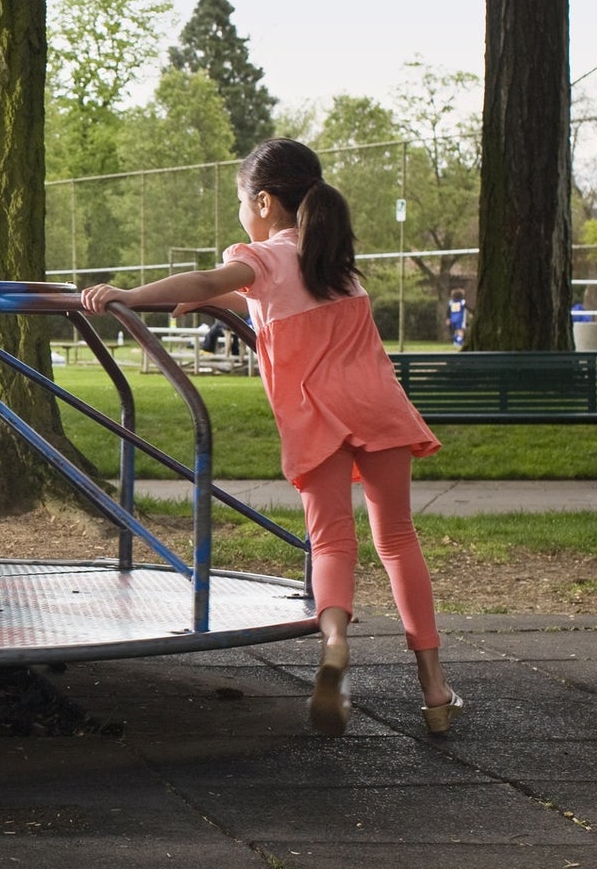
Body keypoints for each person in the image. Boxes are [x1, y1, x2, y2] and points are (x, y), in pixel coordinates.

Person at [80, 139, 461, 737]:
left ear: (262, 202)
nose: (239, 212)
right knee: (398, 540)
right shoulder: (333, 258)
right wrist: (208, 299)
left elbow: (219, 276)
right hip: (379, 407)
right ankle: (435, 690)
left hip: (317, 417)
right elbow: (269, 295)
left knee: (332, 543)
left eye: (239, 200)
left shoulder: (260, 258)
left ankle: (335, 643)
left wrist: (131, 295)